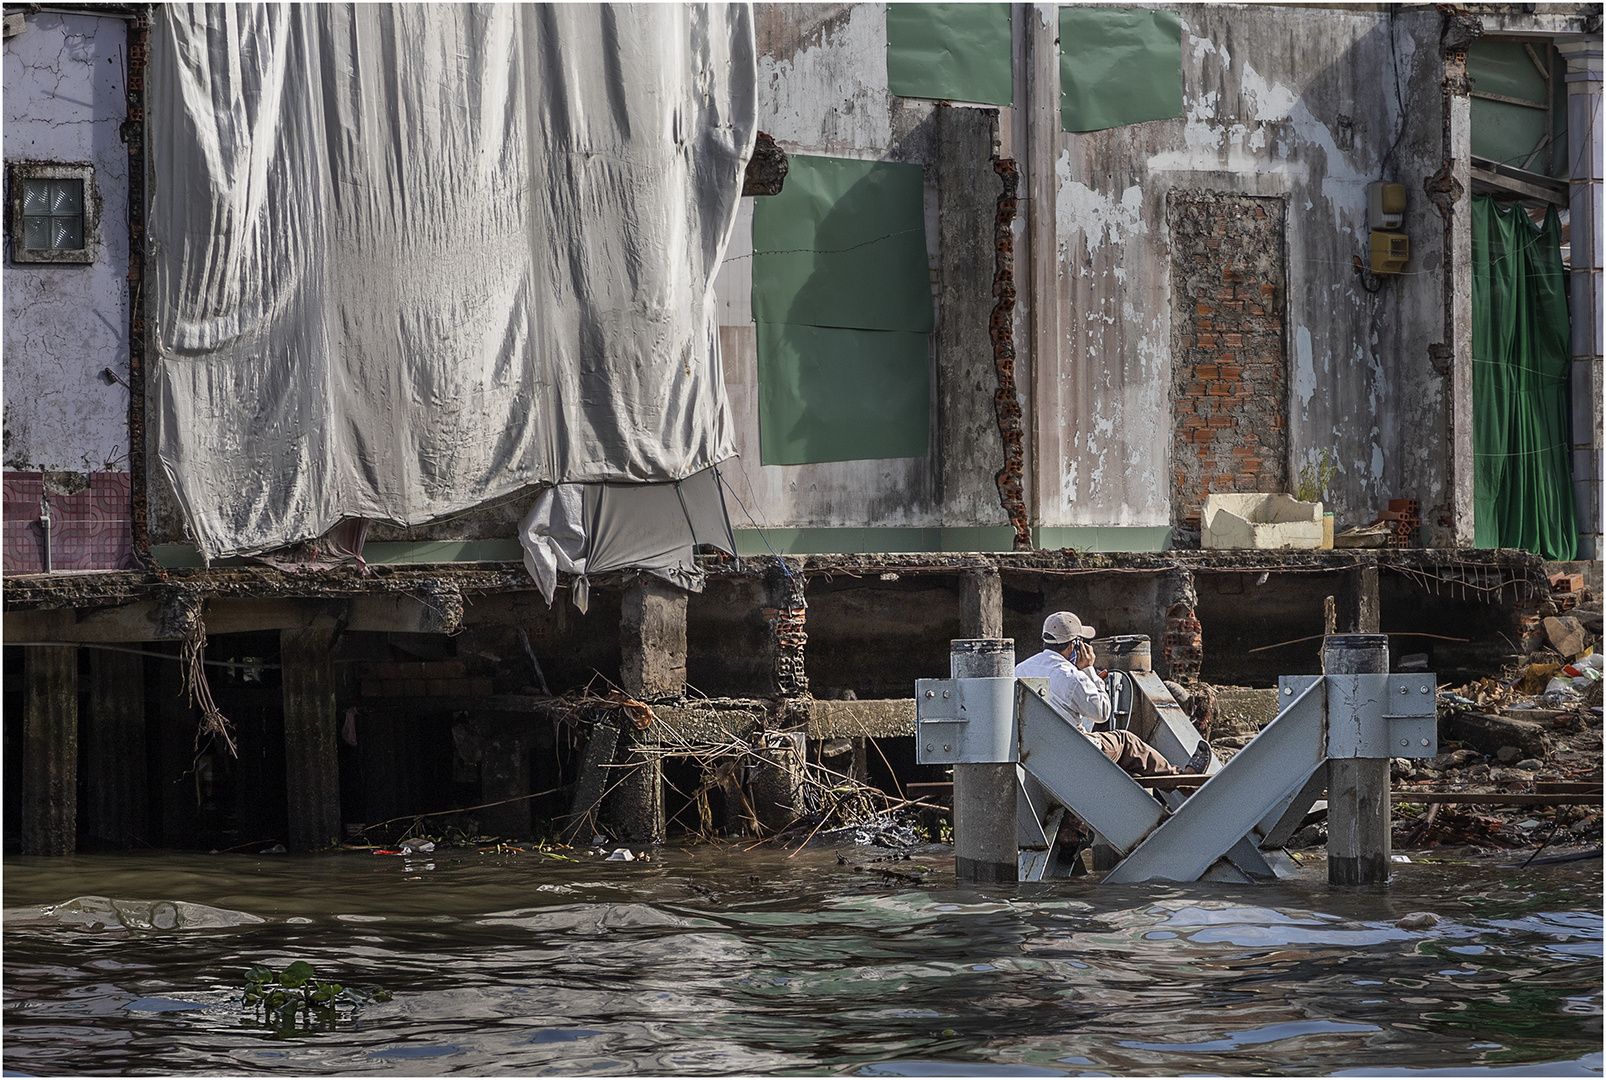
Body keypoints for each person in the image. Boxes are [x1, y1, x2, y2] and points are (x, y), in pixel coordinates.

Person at [1015, 611, 1207, 776]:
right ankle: (1181, 778)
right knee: (1127, 741)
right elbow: (1102, 713)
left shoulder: (1020, 669)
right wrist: (1089, 670)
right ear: (1076, 645)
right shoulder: (1073, 676)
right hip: (1072, 753)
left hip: (1034, 751)